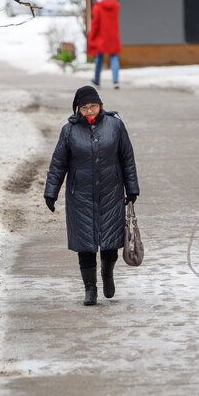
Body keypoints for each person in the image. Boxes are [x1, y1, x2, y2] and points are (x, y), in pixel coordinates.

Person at [44, 85, 139, 306]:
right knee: (85, 244)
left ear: (101, 106)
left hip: (111, 191)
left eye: (93, 107)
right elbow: (58, 164)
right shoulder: (69, 131)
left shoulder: (115, 126)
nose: (89, 112)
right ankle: (90, 288)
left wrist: (132, 188)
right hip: (80, 196)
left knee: (110, 242)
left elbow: (127, 158)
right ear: (78, 109)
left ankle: (107, 274)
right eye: (84, 108)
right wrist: (51, 192)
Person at [88, 0, 122, 89]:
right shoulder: (115, 6)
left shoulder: (97, 7)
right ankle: (116, 81)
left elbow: (95, 24)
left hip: (101, 36)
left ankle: (97, 80)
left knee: (99, 58)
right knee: (114, 57)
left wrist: (91, 37)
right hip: (113, 36)